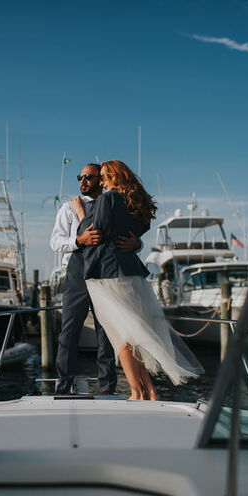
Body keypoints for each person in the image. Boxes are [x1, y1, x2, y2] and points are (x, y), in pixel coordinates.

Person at [70, 160, 204, 400]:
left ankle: (135, 392)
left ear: (112, 176)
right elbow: (138, 232)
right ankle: (150, 391)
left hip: (107, 274)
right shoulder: (136, 204)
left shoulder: (107, 198)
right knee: (131, 333)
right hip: (131, 272)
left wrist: (82, 216)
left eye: (103, 176)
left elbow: (95, 232)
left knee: (121, 337)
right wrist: (134, 243)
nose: (100, 181)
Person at [50, 163, 142, 395]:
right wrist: (78, 241)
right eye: (80, 177)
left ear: (101, 179)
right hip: (77, 274)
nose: (83, 181)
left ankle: (106, 388)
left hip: (106, 273)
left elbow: (128, 235)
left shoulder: (115, 203)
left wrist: (137, 244)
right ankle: (63, 387)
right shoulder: (68, 208)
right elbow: (55, 242)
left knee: (107, 332)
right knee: (69, 331)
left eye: (90, 177)